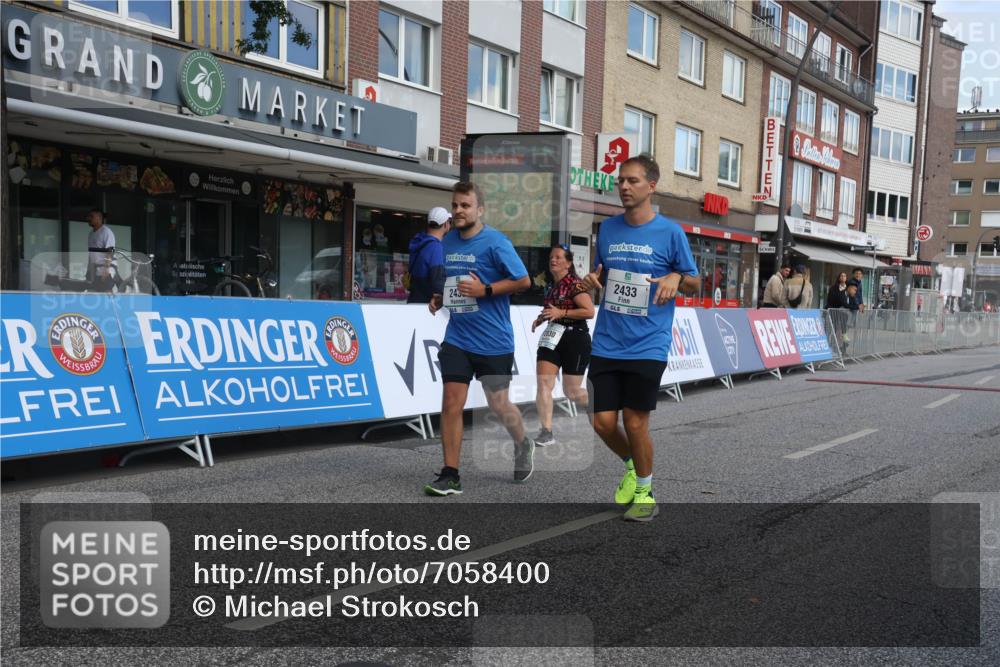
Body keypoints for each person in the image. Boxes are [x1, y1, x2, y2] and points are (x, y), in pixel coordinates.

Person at [580, 155, 700, 522]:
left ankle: (645, 491)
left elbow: (695, 282)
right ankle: (633, 465)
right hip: (607, 340)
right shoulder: (608, 229)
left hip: (648, 341)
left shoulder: (670, 232)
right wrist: (589, 284)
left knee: (635, 422)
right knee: (601, 422)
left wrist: (677, 279)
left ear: (651, 185)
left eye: (632, 181)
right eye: (621, 181)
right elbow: (600, 278)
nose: (624, 187)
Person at [424, 182, 533, 496]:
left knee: (498, 405)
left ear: (479, 210)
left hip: (494, 340)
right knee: (450, 403)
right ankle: (450, 474)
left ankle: (522, 442)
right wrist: (440, 298)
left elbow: (523, 280)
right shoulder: (448, 242)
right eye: (455, 205)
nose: (458, 210)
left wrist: (485, 290)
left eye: (465, 206)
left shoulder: (496, 242)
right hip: (458, 336)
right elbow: (454, 283)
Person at [531, 244, 595, 447]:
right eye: (551, 257)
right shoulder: (552, 286)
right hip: (552, 338)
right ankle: (546, 432)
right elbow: (553, 309)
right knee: (543, 383)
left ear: (568, 263)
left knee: (572, 392)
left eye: (559, 257)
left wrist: (562, 314)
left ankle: (595, 405)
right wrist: (542, 318)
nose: (553, 260)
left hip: (575, 337)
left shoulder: (574, 284)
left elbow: (589, 311)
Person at [406, 207, 450, 304]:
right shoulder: (435, 247)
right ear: (446, 224)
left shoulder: (419, 241)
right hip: (427, 306)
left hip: (413, 301)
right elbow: (438, 281)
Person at [86, 208, 116, 290]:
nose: (88, 219)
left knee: (105, 295)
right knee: (93, 296)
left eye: (91, 216)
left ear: (99, 217)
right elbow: (91, 254)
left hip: (104, 271)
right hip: (94, 271)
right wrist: (88, 270)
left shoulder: (106, 232)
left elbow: (110, 252)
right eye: (88, 216)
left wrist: (106, 270)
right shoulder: (91, 234)